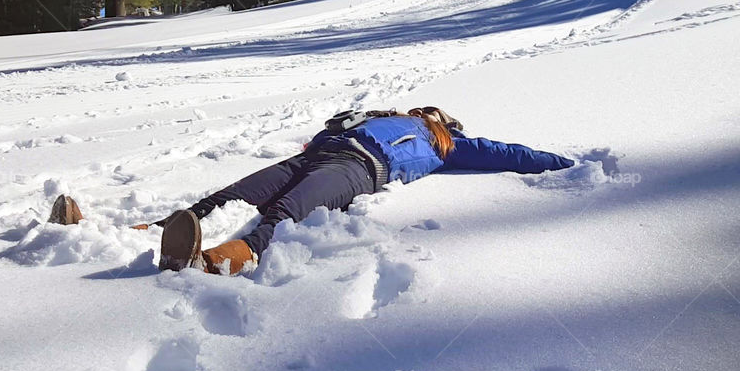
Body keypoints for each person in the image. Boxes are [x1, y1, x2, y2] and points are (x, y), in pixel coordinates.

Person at [49, 107, 575, 276]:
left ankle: (220, 260)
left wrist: (561, 163)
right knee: (226, 196)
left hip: (361, 170)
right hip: (317, 155)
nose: (424, 114)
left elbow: (506, 153)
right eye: (424, 111)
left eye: (434, 114)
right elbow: (325, 133)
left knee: (286, 211)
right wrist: (334, 129)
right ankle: (115, 231)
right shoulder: (380, 115)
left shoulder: (445, 145)